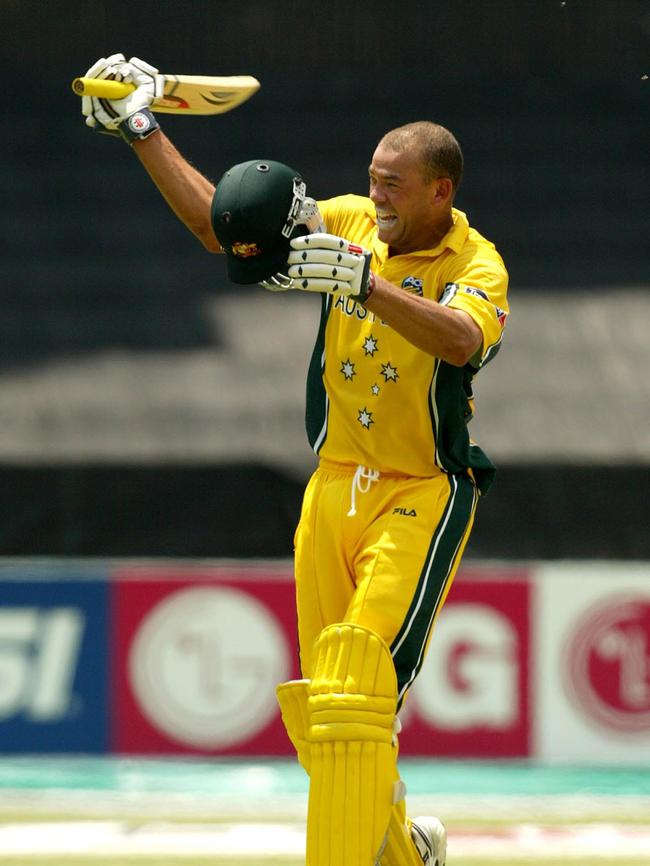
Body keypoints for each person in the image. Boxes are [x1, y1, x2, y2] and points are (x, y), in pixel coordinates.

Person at [81, 54, 509, 866]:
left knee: (356, 687)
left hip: (423, 492)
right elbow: (222, 226)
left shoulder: (475, 264)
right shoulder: (349, 222)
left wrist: (366, 286)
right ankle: (405, 848)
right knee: (322, 714)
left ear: (439, 192)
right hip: (333, 485)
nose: (374, 195)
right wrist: (141, 127)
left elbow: (462, 341)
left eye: (392, 184)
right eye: (373, 179)